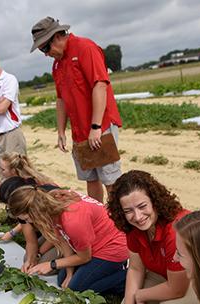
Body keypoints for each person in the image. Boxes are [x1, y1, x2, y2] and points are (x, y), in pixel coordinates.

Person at [30, 17, 122, 204]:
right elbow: (61, 98)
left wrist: (95, 126)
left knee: (110, 181)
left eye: (45, 48)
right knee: (91, 179)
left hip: (100, 126)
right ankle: (98, 217)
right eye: (42, 51)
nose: (46, 54)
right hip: (79, 132)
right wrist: (61, 131)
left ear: (57, 36)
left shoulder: (85, 48)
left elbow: (100, 85)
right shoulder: (57, 64)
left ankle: (118, 224)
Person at [106, 171, 200, 304]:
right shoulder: (133, 227)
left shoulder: (175, 229)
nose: (137, 216)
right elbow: (135, 268)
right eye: (128, 211)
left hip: (193, 280)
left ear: (155, 201)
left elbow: (176, 289)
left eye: (142, 206)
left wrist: (140, 295)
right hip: (163, 276)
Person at [7, 186, 128, 293]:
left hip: (113, 246)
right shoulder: (50, 203)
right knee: (62, 281)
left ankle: (126, 277)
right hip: (94, 243)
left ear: (35, 212)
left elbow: (85, 257)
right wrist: (69, 274)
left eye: (27, 218)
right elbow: (64, 240)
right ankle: (106, 271)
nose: (28, 223)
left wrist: (52, 264)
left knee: (75, 288)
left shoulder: (72, 221)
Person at [0, 153, 55, 243]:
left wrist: (12, 233)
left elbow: (27, 214)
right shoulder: (20, 180)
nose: (0, 172)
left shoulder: (23, 187)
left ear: (13, 171)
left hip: (49, 222)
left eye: (3, 169)